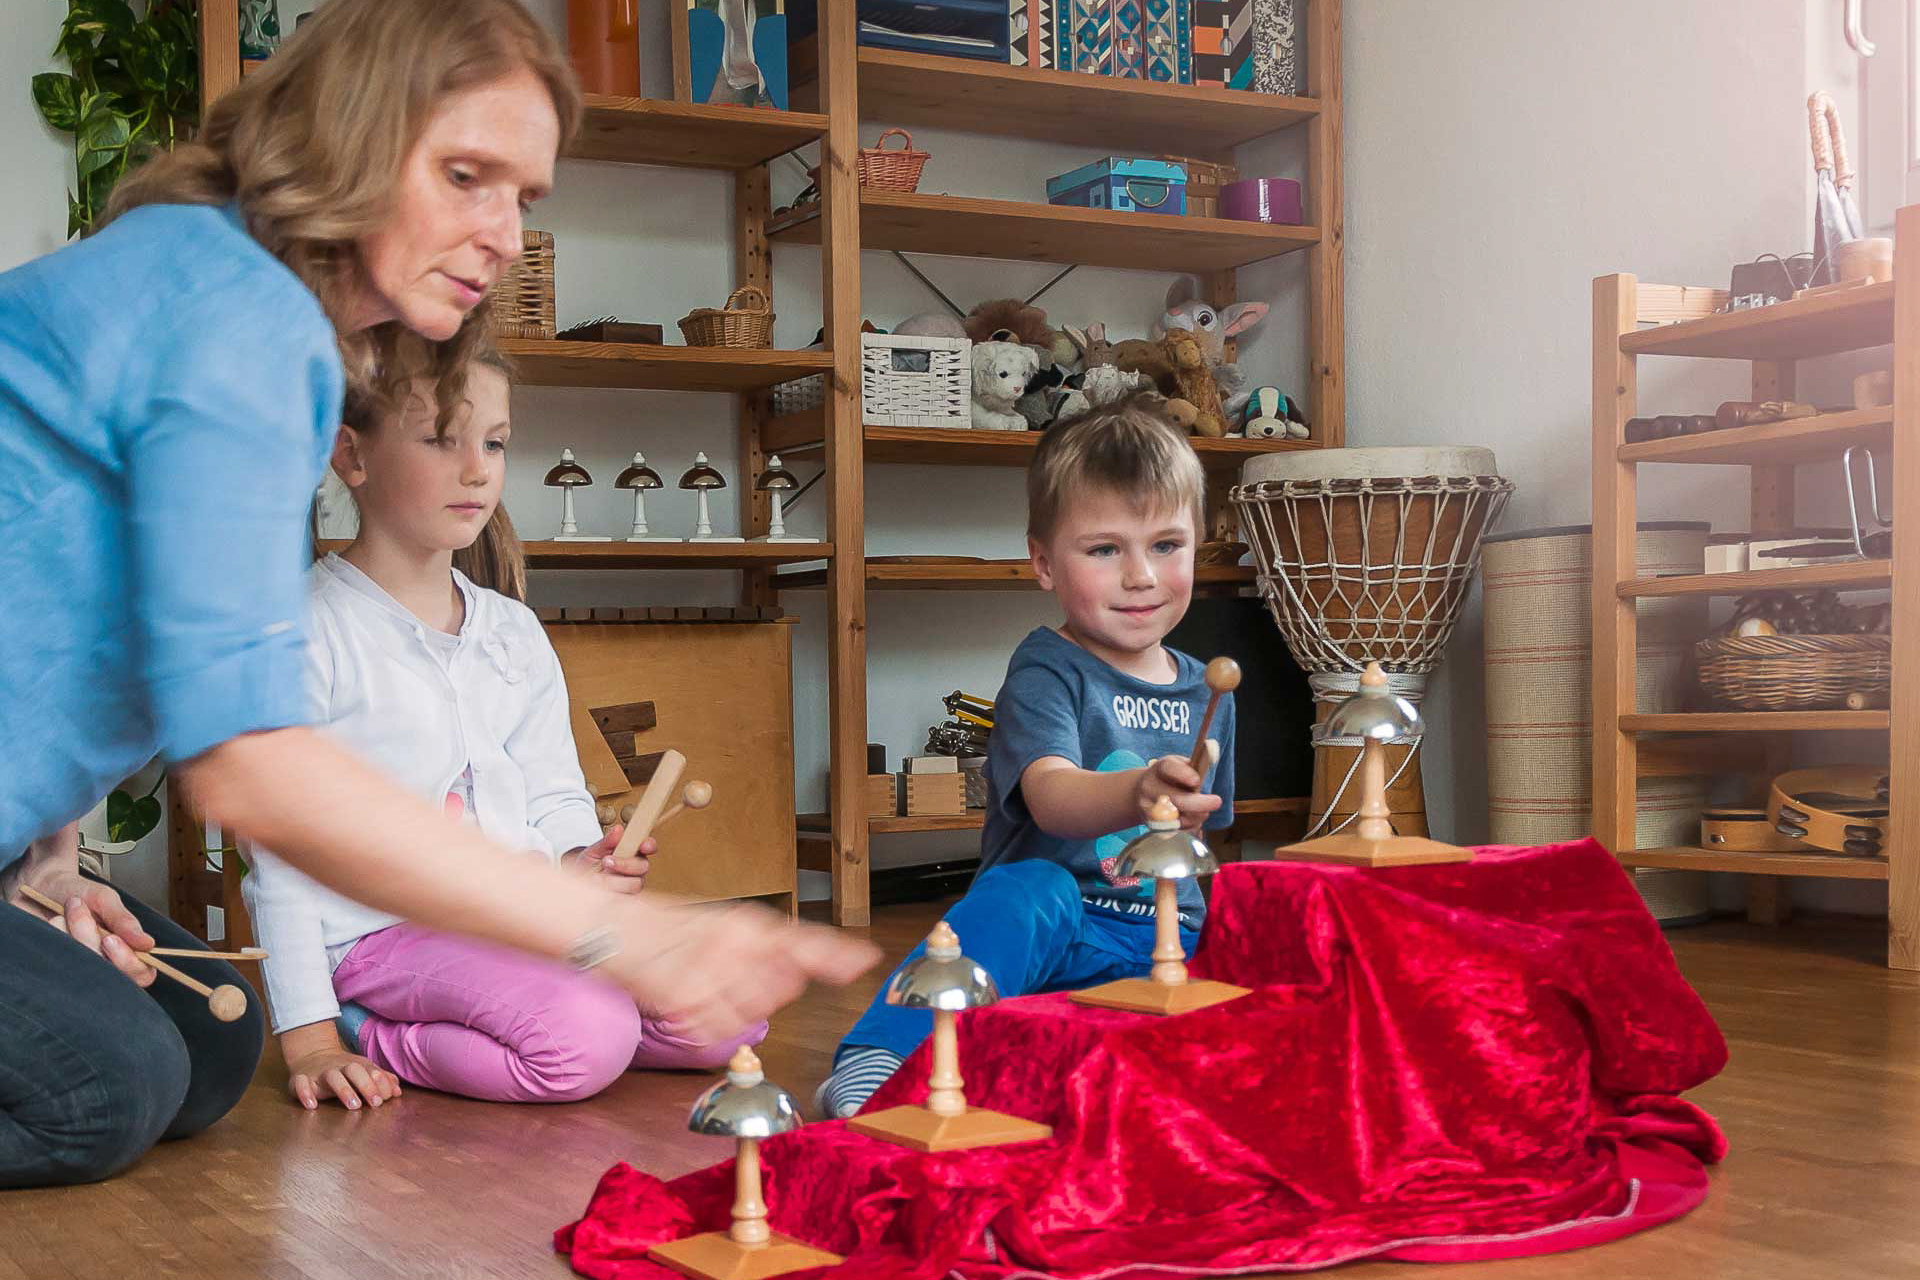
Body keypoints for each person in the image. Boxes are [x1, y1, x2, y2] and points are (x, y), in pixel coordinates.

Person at [0, 0, 874, 1188]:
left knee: (207, 1048)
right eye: (467, 176)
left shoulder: (224, 278)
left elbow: (62, 592)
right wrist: (627, 930)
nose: (506, 235)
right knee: (109, 1088)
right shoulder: (246, 322)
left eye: (525, 197)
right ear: (344, 140)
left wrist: (48, 857)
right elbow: (250, 765)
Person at [249, 355, 766, 1111]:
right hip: (379, 935)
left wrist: (578, 860)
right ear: (352, 456)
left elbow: (554, 789)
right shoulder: (305, 631)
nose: (476, 470)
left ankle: (574, 1013)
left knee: (728, 1013)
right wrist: (313, 1037)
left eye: (494, 444)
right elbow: (282, 857)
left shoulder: (512, 630)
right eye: (441, 441)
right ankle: (374, 1030)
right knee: (586, 1040)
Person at [817, 396, 1237, 1118]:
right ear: (1043, 562)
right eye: (1105, 550)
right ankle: (879, 1060)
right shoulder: (1047, 670)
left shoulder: (1211, 686)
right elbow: (1051, 796)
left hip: (1164, 938)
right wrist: (1139, 790)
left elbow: (1207, 839)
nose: (1141, 575)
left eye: (1166, 546)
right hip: (1057, 931)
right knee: (1026, 890)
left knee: (1254, 917)